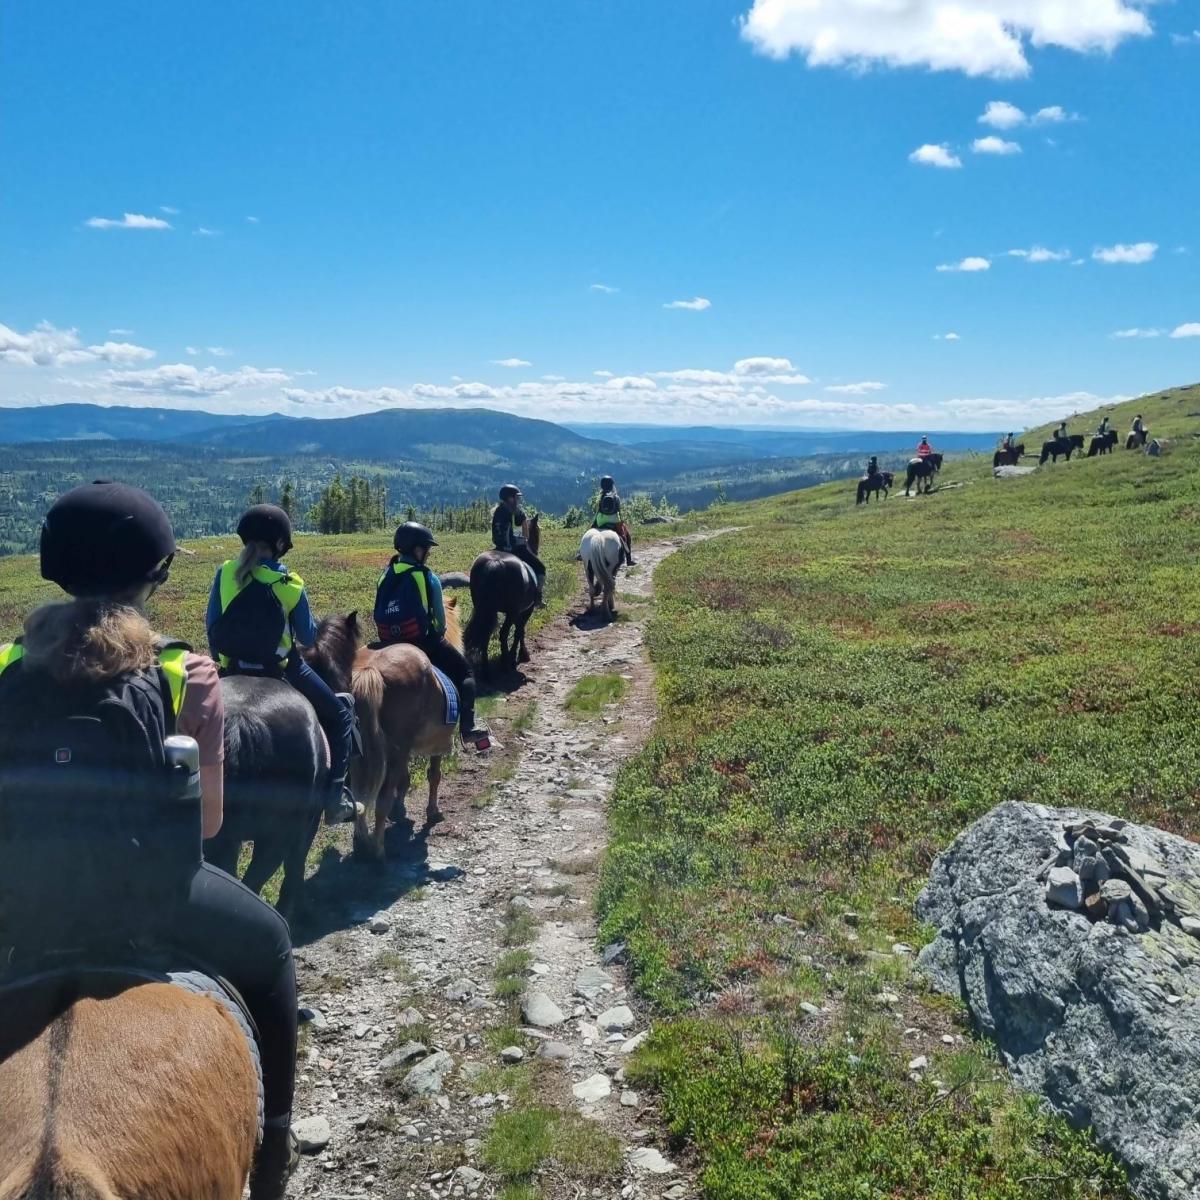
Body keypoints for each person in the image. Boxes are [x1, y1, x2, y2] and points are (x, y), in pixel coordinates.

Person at [0, 481, 300, 1200]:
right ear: (157, 573)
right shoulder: (183, 672)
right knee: (273, 950)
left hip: (22, 903)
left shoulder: (9, 668)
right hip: (150, 903)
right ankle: (277, 1143)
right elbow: (208, 824)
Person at [207, 504, 356, 825]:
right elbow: (308, 635)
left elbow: (212, 627)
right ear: (279, 544)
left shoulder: (225, 573)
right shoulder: (290, 583)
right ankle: (335, 799)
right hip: (283, 670)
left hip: (230, 670)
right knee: (341, 715)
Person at [374, 521, 490, 750]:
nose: (427, 554)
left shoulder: (385, 575)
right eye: (426, 549)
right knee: (465, 672)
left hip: (387, 641)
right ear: (417, 550)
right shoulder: (427, 577)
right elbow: (439, 622)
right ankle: (467, 729)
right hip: (422, 641)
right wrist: (436, 634)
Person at [491, 484, 546, 605]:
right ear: (510, 498)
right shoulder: (514, 512)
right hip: (512, 549)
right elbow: (523, 534)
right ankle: (538, 597)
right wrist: (522, 540)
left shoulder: (498, 511)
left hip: (498, 548)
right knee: (541, 567)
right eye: (517, 498)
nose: (518, 500)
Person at [593, 475, 635, 565]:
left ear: (602, 486)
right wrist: (622, 521)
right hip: (614, 520)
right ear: (612, 485)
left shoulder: (599, 497)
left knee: (589, 533)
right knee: (626, 536)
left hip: (600, 521)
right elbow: (619, 511)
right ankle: (628, 559)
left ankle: (580, 553)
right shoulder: (616, 497)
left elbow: (597, 510)